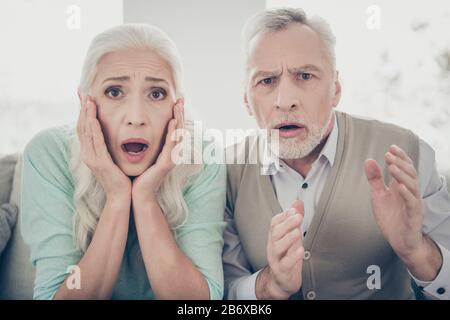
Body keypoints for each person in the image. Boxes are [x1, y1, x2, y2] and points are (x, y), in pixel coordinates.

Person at [223, 8, 450, 300]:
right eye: (266, 81)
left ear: (336, 89)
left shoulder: (407, 154)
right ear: (246, 100)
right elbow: (220, 293)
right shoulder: (226, 172)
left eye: (304, 76)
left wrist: (417, 250)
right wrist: (270, 286)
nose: (285, 101)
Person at [21, 24, 226, 300]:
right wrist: (117, 196)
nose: (136, 117)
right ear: (85, 104)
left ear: (177, 109)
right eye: (115, 92)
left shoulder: (201, 155)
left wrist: (145, 197)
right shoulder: (48, 153)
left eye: (156, 94)